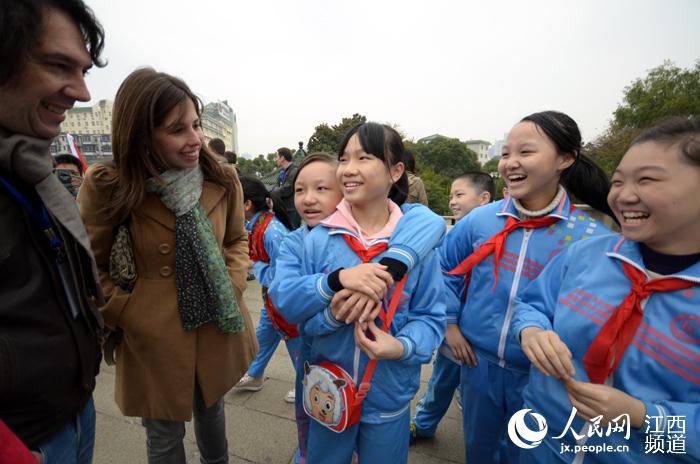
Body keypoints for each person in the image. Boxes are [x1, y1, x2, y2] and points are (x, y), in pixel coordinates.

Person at [78, 68, 257, 463]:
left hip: (216, 321)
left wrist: (231, 285)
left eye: (195, 124)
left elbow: (235, 240)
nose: (195, 139)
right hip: (152, 335)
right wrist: (128, 312)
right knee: (162, 436)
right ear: (142, 133)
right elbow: (91, 265)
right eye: (177, 129)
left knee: (212, 410)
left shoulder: (222, 177)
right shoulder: (109, 185)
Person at [512, 118, 700, 463]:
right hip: (542, 446)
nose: (624, 195)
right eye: (617, 181)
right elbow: (532, 304)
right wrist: (532, 330)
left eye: (647, 179)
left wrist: (646, 417)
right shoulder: (588, 253)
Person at [440, 111, 615, 463]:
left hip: (544, 378)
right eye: (506, 154)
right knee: (480, 450)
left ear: (565, 158)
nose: (511, 163)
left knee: (529, 455)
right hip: (477, 364)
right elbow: (445, 269)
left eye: (526, 152)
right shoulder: (480, 220)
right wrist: (450, 324)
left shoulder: (591, 238)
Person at [277, 122, 446, 463]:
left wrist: (400, 346)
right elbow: (294, 312)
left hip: (390, 396)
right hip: (327, 390)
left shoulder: (418, 246)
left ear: (396, 171)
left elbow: (431, 317)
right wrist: (332, 306)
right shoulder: (316, 240)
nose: (349, 169)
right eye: (344, 158)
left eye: (364, 157)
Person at [0, 1, 106, 462]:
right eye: (58, 65)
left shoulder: (29, 170)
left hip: (75, 412)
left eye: (83, 70)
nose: (81, 92)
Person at [410, 170, 495, 442]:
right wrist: (449, 324)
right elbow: (445, 279)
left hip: (483, 332)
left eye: (459, 195)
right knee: (441, 381)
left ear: (484, 199)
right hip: (454, 328)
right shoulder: (455, 233)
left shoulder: (500, 234)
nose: (452, 202)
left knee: (477, 392)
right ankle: (423, 424)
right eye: (451, 196)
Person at [233, 176, 300, 404]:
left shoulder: (271, 231)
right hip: (272, 301)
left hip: (284, 302)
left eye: (232, 200)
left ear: (247, 204)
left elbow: (287, 276)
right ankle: (254, 374)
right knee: (263, 336)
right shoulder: (257, 225)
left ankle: (307, 384)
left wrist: (257, 265)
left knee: (295, 343)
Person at [272, 147, 301, 229]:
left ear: (282, 158)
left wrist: (273, 192)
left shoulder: (294, 171)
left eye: (277, 157)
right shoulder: (282, 172)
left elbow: (286, 190)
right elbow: (276, 187)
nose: (276, 159)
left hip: (292, 210)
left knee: (293, 234)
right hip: (284, 209)